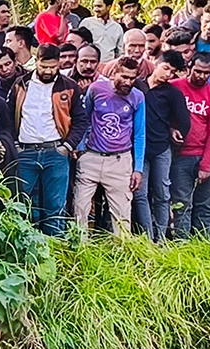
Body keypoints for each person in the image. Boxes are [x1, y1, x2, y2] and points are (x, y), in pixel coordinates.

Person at [12, 44, 85, 235]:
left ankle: (55, 249)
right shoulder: (21, 84)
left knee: (56, 204)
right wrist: (15, 144)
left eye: (53, 67)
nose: (48, 71)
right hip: (25, 152)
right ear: (36, 62)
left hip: (55, 152)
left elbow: (81, 120)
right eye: (44, 66)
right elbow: (8, 115)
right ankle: (25, 246)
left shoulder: (69, 87)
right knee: (23, 203)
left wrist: (67, 146)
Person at [73, 57, 145, 231]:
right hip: (92, 156)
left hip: (120, 160)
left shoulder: (138, 97)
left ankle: (123, 252)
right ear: (114, 74)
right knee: (79, 210)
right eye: (124, 77)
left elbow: (140, 134)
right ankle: (78, 249)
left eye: (132, 78)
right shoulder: (96, 89)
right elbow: (85, 120)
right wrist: (80, 148)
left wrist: (138, 168)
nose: (128, 82)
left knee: (122, 217)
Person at [135, 51, 190, 241]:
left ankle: (161, 238)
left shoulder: (172, 93)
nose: (168, 74)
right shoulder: (137, 86)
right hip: (138, 149)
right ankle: (148, 237)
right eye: (166, 68)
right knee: (140, 194)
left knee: (162, 195)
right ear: (155, 63)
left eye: (172, 72)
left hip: (161, 149)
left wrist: (172, 134)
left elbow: (185, 122)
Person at [171, 53, 210, 238]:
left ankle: (201, 244)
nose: (201, 76)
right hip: (180, 156)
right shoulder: (175, 87)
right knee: (182, 204)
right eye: (198, 71)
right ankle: (182, 245)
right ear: (189, 68)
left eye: (206, 73)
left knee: (204, 205)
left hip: (204, 155)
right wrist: (171, 129)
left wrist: (206, 164)